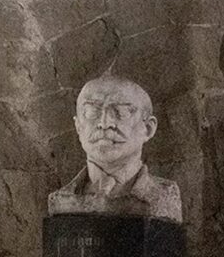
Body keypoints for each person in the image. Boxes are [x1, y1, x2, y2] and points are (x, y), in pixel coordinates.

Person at [47, 74, 183, 223]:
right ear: (78, 126)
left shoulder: (162, 195)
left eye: (121, 112)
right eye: (92, 112)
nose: (104, 123)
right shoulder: (62, 200)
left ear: (148, 128)